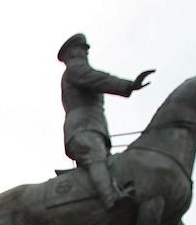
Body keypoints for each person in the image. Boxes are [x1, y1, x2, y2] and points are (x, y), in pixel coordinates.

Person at [58, 32, 154, 209]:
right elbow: (99, 79)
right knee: (96, 156)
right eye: (82, 49)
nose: (86, 53)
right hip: (82, 128)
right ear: (71, 53)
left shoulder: (76, 70)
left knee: (103, 164)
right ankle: (111, 199)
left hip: (91, 126)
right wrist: (128, 85)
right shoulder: (75, 69)